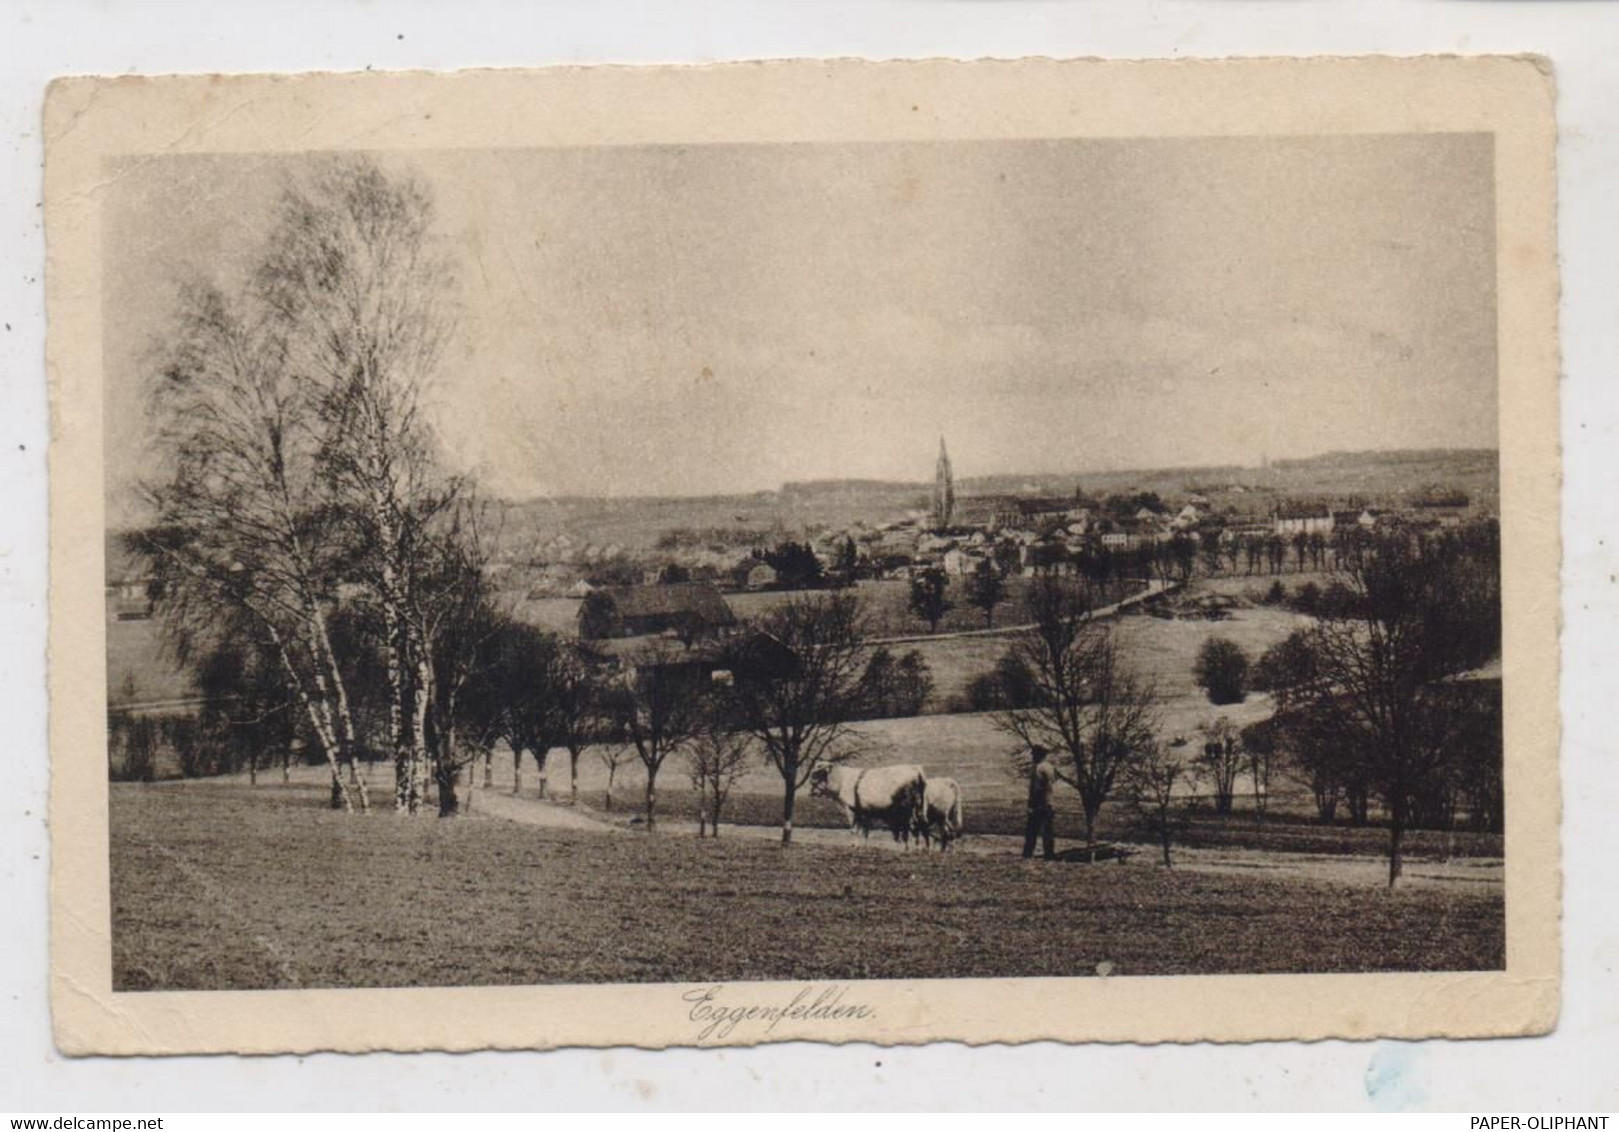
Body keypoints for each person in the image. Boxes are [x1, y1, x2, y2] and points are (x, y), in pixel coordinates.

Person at [1023, 744, 1057, 860]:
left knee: (1031, 831)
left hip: (1039, 804)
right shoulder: (1049, 767)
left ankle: (1027, 854)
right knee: (1048, 831)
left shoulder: (1038, 768)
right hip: (1049, 803)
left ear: (1038, 755)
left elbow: (1036, 789)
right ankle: (1049, 854)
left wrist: (1031, 805)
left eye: (1034, 754)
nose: (1032, 756)